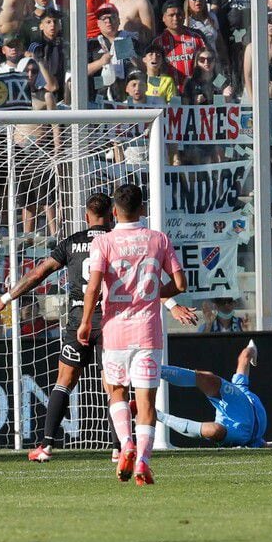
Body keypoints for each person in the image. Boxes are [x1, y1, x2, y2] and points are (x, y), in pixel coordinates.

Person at [0, 193, 196, 461]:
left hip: (81, 318)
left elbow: (39, 273)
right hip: (114, 320)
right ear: (112, 213)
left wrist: (4, 299)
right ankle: (119, 447)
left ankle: (46, 446)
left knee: (64, 382)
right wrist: (172, 305)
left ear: (86, 216)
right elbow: (139, 283)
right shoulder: (119, 241)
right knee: (116, 387)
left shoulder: (74, 242)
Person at [78, 183, 186, 486]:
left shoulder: (104, 243)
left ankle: (125, 444)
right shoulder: (158, 240)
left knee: (115, 391)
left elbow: (94, 286)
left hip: (115, 333)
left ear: (114, 212)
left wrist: (86, 321)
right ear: (143, 209)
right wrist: (152, 296)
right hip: (148, 333)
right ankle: (142, 461)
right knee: (147, 402)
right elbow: (180, 283)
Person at [158, 341, 272, 448]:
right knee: (208, 377)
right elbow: (246, 355)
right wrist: (252, 349)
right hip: (239, 412)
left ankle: (158, 415)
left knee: (215, 431)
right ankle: (156, 370)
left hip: (239, 432)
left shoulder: (240, 389)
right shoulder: (240, 387)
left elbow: (246, 355)